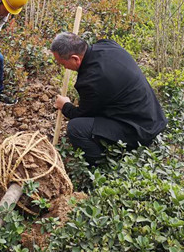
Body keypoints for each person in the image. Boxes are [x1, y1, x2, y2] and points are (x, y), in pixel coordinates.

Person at [51, 32, 167, 165]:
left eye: (63, 64)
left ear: (75, 59)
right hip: (153, 116)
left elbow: (81, 114)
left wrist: (65, 105)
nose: (64, 68)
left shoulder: (91, 81)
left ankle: (100, 166)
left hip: (138, 130)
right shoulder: (107, 45)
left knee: (76, 128)